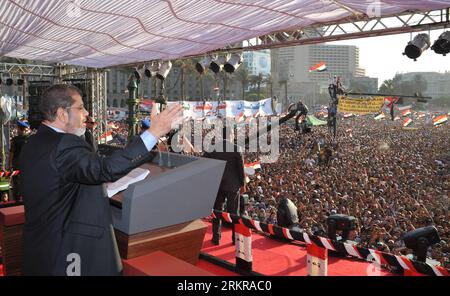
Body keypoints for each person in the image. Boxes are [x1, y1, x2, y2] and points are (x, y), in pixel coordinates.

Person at [19, 84, 183, 276]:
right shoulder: (65, 144)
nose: (86, 113)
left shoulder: (34, 143)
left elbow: (63, 182)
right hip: (69, 252)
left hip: (42, 246)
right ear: (62, 114)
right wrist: (153, 133)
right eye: (80, 108)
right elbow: (104, 169)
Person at [203, 127, 245, 246]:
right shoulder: (237, 149)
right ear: (231, 134)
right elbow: (241, 170)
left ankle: (216, 238)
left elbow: (203, 162)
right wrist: (243, 184)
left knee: (217, 211)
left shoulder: (212, 148)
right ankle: (234, 239)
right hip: (233, 185)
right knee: (233, 213)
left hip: (217, 184)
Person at [9, 120, 30, 201]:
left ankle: (16, 197)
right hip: (25, 163)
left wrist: (9, 164)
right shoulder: (28, 139)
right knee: (25, 180)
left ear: (18, 128)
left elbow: (12, 153)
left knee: (16, 180)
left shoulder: (15, 140)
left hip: (16, 163)